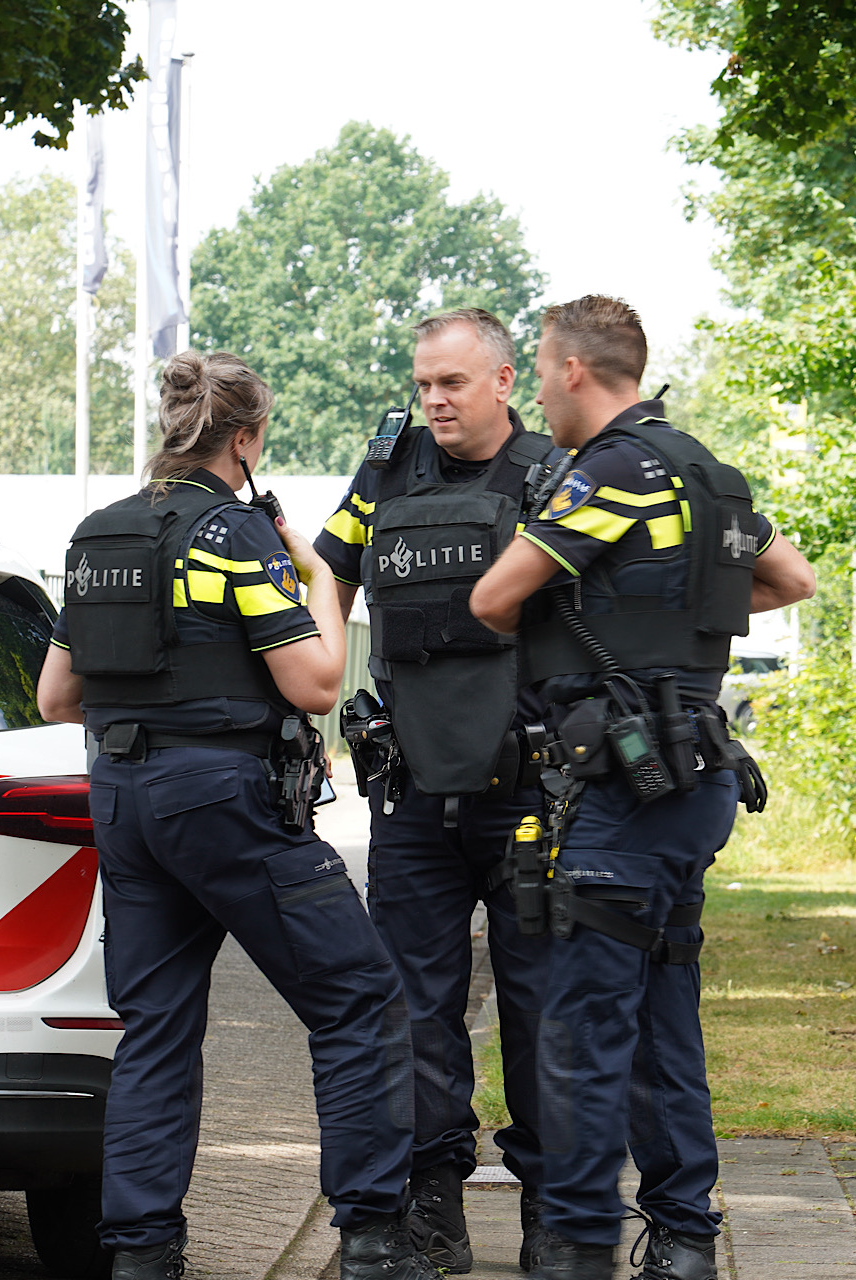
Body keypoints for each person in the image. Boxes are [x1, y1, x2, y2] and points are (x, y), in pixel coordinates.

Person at [36, 350, 437, 1280]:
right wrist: (321, 575)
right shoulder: (235, 536)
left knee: (157, 1027)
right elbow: (318, 682)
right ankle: (373, 1240)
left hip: (126, 803)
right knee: (360, 999)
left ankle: (140, 1255)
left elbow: (59, 696)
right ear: (247, 439)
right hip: (227, 802)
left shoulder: (98, 536)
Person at [469, 297, 818, 1280]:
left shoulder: (614, 471)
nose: (538, 387)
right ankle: (683, 1238)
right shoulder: (711, 470)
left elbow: (494, 598)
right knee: (665, 1013)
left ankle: (579, 1246)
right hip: (693, 774)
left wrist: (598, 595)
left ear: (575, 370)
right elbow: (790, 576)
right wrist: (667, 601)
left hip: (622, 790)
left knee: (584, 1023)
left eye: (540, 369)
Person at [314, 308, 555, 1272]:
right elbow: (324, 571)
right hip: (412, 793)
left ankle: (554, 1214)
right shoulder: (386, 473)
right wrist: (335, 679)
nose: (434, 401)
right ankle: (431, 1211)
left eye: (452, 383)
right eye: (423, 384)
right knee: (415, 1009)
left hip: (532, 790)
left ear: (504, 381)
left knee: (543, 1008)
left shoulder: (550, 474)